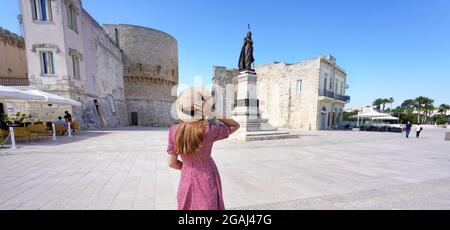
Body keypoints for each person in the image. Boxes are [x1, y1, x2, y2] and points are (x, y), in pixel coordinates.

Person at [166, 87, 240, 210]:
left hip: (187, 177)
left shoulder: (173, 131)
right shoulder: (208, 130)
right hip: (207, 176)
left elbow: (171, 163)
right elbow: (234, 125)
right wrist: (212, 110)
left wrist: (188, 168)